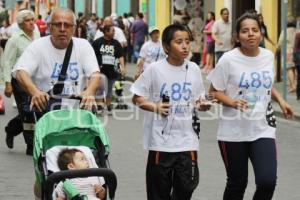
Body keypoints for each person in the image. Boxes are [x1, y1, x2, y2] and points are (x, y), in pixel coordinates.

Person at [207, 13, 293, 200]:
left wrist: (281, 101)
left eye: (255, 30)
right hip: (233, 132)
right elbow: (213, 91)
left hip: (262, 129)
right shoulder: (228, 60)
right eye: (245, 31)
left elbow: (266, 82)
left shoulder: (268, 56)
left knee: (267, 181)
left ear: (261, 33)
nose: (251, 34)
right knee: (237, 183)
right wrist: (232, 102)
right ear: (237, 36)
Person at [131, 24, 212, 200]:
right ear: (166, 47)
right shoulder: (154, 69)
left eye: (187, 42)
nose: (185, 46)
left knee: (187, 186)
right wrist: (156, 107)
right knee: (158, 193)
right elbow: (137, 98)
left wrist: (202, 104)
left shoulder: (194, 69)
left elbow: (198, 98)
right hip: (161, 142)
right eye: (179, 42)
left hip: (187, 140)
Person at [2, 10, 40, 153]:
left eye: (32, 19)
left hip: (35, 80)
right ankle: (31, 145)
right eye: (27, 20)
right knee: (28, 111)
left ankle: (11, 129)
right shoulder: (14, 40)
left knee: (36, 109)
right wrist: (7, 83)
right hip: (19, 81)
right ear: (20, 24)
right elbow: (7, 62)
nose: (31, 22)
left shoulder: (37, 36)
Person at [92, 25, 125, 115]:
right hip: (100, 70)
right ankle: (100, 107)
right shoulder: (97, 43)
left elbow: (120, 55)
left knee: (109, 90)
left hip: (112, 70)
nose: (114, 32)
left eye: (114, 31)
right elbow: (91, 55)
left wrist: (122, 67)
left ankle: (108, 106)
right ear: (106, 32)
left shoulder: (116, 43)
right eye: (112, 31)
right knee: (99, 89)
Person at [276, 17, 297, 93]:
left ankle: (293, 85)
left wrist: (277, 49)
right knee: (293, 68)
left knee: (289, 69)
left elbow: (280, 42)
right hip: (296, 51)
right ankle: (292, 86)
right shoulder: (297, 31)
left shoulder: (285, 31)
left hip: (287, 51)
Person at [294, 31, 300, 100]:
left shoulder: (297, 34)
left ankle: (298, 95)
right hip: (298, 59)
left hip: (298, 59)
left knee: (299, 77)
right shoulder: (298, 34)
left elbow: (295, 48)